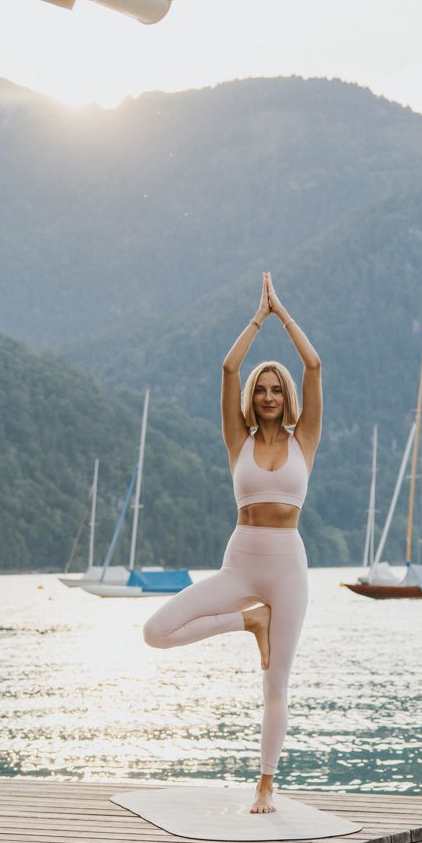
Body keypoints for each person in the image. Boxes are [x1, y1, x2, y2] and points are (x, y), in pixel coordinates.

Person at [142, 272, 322, 813]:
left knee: (276, 681)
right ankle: (250, 621)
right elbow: (227, 368)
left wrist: (283, 314)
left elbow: (313, 366)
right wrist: (256, 319)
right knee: (156, 631)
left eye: (275, 389)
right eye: (261, 389)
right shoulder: (236, 440)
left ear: (285, 397)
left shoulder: (304, 439)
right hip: (241, 562)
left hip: (287, 566)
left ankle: (266, 782)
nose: (267, 395)